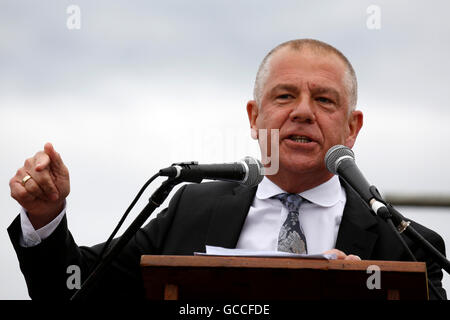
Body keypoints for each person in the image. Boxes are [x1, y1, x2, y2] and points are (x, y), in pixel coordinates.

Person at [8, 39, 446, 300]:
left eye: (325, 100)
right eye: (284, 96)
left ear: (352, 127)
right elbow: (73, 291)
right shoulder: (190, 208)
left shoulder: (405, 246)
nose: (303, 113)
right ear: (254, 118)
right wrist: (45, 218)